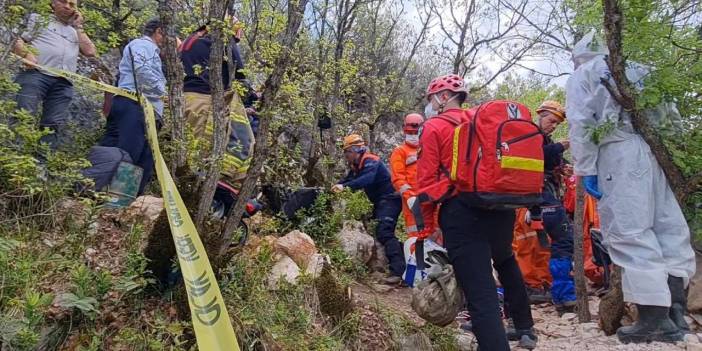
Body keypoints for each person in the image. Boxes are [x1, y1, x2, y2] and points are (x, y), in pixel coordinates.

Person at [566, 30, 695, 343]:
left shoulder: (585, 74)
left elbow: (582, 123)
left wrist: (585, 169)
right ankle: (677, 313)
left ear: (579, 55)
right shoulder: (639, 68)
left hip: (618, 153)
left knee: (630, 232)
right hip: (652, 151)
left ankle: (654, 319)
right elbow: (670, 118)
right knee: (667, 229)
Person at [416, 74, 536, 350]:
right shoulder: (481, 121)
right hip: (500, 208)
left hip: (462, 212)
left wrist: (429, 224)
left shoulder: (434, 126)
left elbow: (426, 182)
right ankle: (524, 325)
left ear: (444, 96)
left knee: (480, 293)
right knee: (505, 262)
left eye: (432, 98)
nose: (431, 104)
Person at [179, 17, 254, 187]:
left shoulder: (189, 40)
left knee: (188, 145)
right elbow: (239, 72)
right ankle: (207, 186)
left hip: (185, 98)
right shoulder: (221, 39)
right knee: (208, 147)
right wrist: (250, 97)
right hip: (205, 101)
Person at [13, 0, 97, 151]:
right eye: (63, 1)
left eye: (72, 4)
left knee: (53, 123)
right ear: (53, 3)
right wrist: (27, 55)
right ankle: (13, 158)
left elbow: (90, 51)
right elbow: (17, 39)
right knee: (23, 115)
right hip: (36, 74)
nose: (67, 6)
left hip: (63, 83)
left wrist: (79, 26)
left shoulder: (75, 31)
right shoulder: (38, 19)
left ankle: (41, 166)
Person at [99, 19, 166, 195]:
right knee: (130, 152)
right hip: (134, 104)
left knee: (143, 158)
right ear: (159, 31)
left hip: (143, 108)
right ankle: (113, 199)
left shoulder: (153, 51)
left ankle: (124, 200)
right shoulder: (142, 45)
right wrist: (164, 93)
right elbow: (142, 72)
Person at [332, 134, 405, 282]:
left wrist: (343, 187)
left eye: (347, 152)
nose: (345, 156)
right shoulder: (357, 166)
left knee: (384, 231)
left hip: (391, 199)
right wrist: (336, 186)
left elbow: (366, 179)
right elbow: (348, 180)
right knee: (376, 230)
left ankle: (398, 271)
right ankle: (396, 261)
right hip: (381, 202)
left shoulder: (371, 161)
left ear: (355, 150)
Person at [526, 100, 576, 312]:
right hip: (540, 197)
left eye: (556, 123)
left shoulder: (545, 139)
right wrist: (559, 147)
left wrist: (564, 167)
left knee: (556, 243)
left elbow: (551, 161)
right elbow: (534, 157)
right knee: (563, 241)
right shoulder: (531, 136)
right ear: (541, 114)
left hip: (545, 197)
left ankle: (558, 292)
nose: (553, 125)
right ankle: (564, 296)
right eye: (551, 120)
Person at [389, 113, 424, 237]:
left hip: (432, 199)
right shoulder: (400, 152)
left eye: (415, 133)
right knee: (416, 235)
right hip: (412, 201)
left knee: (438, 235)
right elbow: (398, 178)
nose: (413, 136)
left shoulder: (428, 149)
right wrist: (410, 196)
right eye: (410, 133)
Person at [512, 207, 552, 304]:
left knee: (529, 248)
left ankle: (539, 284)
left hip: (521, 206)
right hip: (526, 206)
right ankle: (538, 284)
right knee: (531, 248)